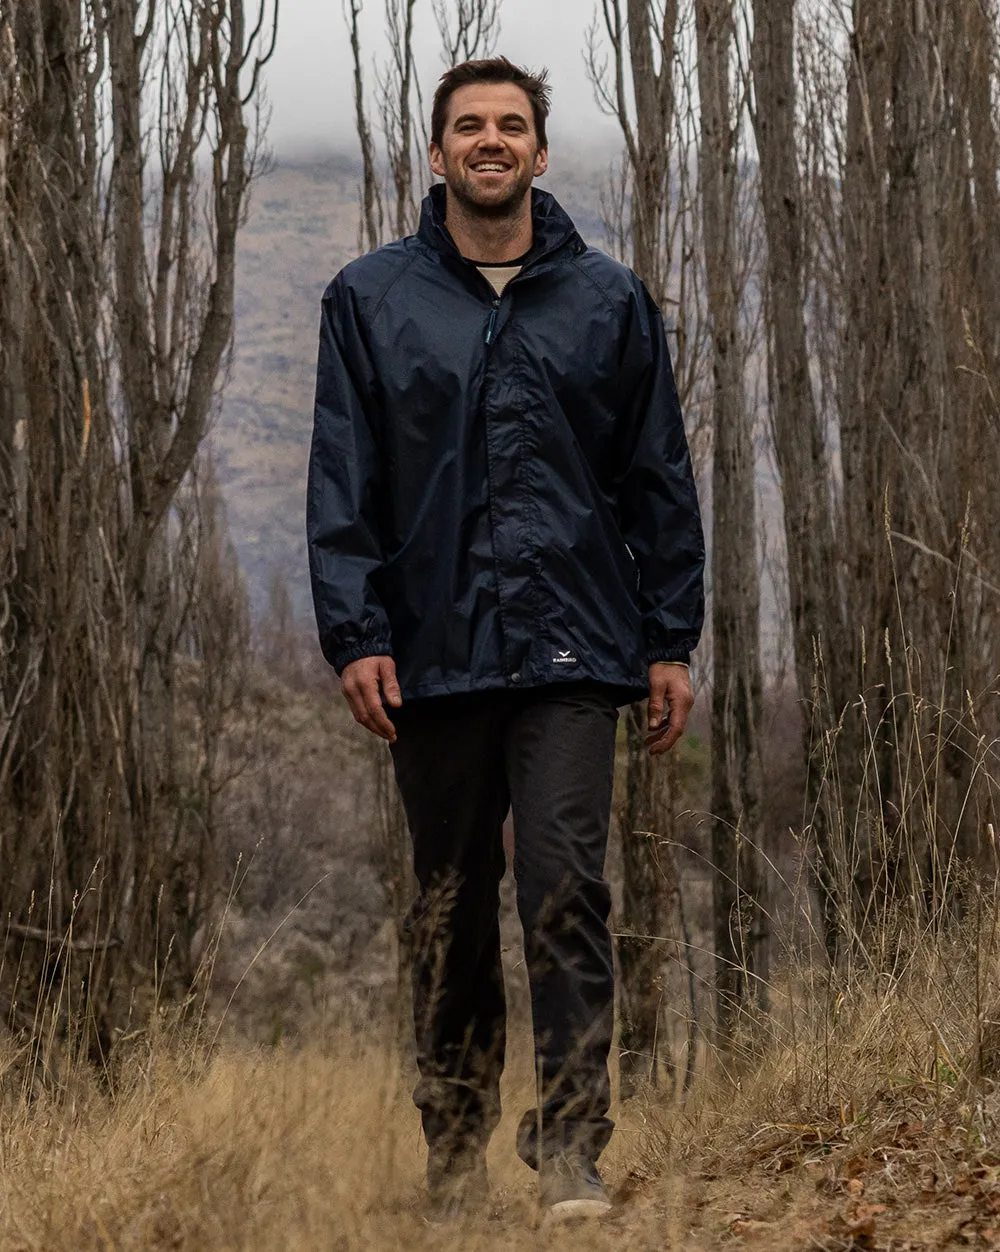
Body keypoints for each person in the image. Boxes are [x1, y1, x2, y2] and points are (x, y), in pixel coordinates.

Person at [307, 56, 704, 1221]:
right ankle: (453, 1149)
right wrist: (353, 631)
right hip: (429, 654)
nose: (490, 140)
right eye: (468, 126)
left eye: (511, 125)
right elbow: (345, 481)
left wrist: (669, 639)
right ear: (436, 156)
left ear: (539, 151)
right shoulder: (368, 299)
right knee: (449, 905)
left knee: (568, 887)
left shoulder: (610, 301)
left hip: (577, 647)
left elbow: (657, 483)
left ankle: (573, 1143)